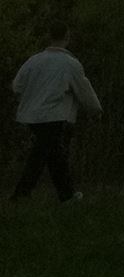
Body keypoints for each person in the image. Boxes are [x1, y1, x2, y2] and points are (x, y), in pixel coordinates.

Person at [10, 21, 101, 204]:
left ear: (49, 37)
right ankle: (20, 195)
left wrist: (30, 99)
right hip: (54, 115)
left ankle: (67, 195)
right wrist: (96, 109)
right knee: (41, 155)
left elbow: (17, 86)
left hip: (31, 116)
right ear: (67, 37)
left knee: (53, 154)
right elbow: (84, 89)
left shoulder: (33, 61)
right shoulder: (70, 64)